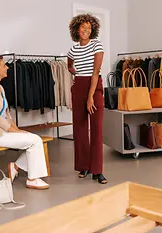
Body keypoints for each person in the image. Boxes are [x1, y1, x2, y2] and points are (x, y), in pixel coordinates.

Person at [0, 54, 49, 190]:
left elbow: (7, 115)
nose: (7, 67)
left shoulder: (0, 88)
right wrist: (13, 131)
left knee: (34, 140)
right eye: (4, 65)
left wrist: (17, 129)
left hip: (4, 131)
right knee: (35, 141)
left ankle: (16, 167)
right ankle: (32, 179)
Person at [67, 14, 107, 184]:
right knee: (80, 129)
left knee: (96, 129)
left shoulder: (96, 45)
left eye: (89, 28)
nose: (86, 30)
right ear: (77, 29)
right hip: (79, 87)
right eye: (83, 27)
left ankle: (97, 170)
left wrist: (90, 97)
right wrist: (75, 73)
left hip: (94, 86)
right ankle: (83, 166)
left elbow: (95, 73)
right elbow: (69, 65)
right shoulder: (73, 50)